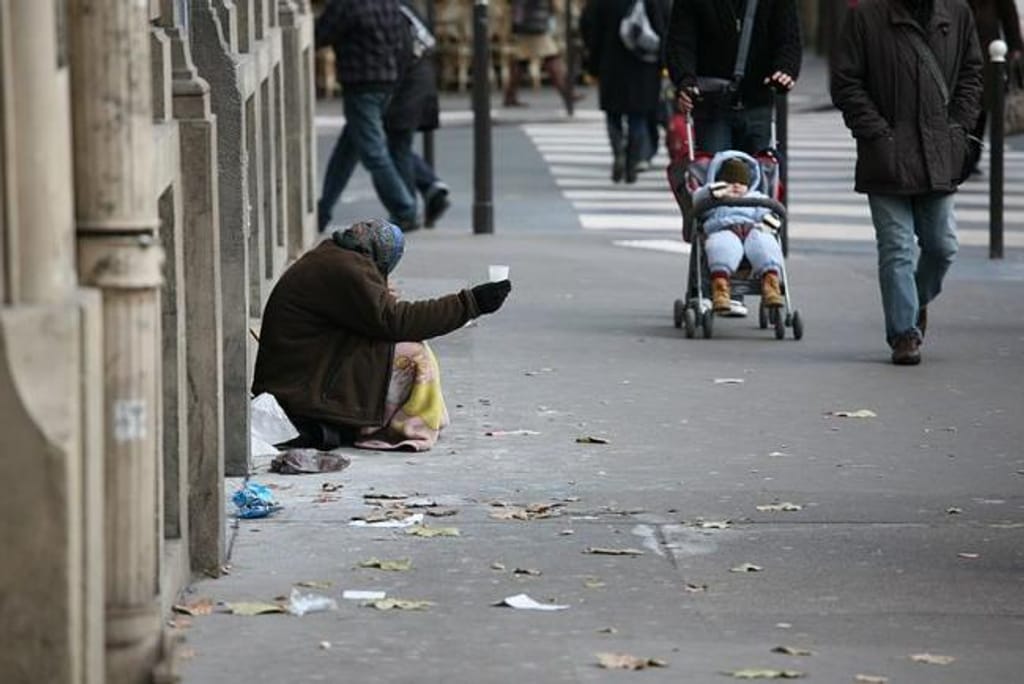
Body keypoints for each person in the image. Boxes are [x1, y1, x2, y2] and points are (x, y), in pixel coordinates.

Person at [251, 219, 512, 451]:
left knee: (401, 347)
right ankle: (403, 428)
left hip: (301, 371)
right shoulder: (345, 269)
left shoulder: (334, 256)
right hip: (300, 384)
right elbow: (396, 321)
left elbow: (377, 318)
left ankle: (372, 420)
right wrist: (469, 303)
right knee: (413, 355)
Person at [831, 0, 983, 365]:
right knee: (897, 246)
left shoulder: (956, 12)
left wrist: (958, 128)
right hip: (886, 155)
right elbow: (846, 82)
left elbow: (971, 73)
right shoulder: (864, 15)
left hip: (938, 152)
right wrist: (878, 135)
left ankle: (913, 301)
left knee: (942, 245)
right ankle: (904, 333)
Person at [315, 0, 419, 234]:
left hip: (361, 83)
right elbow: (403, 40)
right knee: (347, 151)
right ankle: (323, 210)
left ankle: (405, 209)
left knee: (372, 152)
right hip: (387, 82)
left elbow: (321, 34)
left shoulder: (349, 4)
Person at [665, 0, 802, 154]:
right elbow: (680, 42)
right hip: (713, 102)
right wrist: (685, 79)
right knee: (717, 169)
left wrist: (785, 69)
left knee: (757, 170)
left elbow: (788, 38)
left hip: (756, 98)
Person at [580, 0, 671, 183]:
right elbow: (665, 27)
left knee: (613, 115)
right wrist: (665, 63)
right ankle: (632, 160)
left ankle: (618, 152)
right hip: (644, 65)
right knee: (638, 117)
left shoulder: (601, 4)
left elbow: (589, 27)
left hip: (610, 63)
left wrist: (593, 64)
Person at [693, 152, 785, 312]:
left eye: (741, 182)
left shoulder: (756, 198)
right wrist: (711, 192)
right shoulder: (715, 200)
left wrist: (768, 221)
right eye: (730, 181)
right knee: (722, 245)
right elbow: (697, 201)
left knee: (765, 242)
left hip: (754, 230)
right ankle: (720, 288)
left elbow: (767, 212)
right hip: (725, 229)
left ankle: (771, 284)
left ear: (749, 184)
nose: (735, 185)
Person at [386, 1, 450, 226]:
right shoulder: (405, 8)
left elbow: (400, 53)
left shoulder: (394, 11)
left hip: (409, 85)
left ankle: (408, 209)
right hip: (419, 80)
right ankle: (430, 186)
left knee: (398, 145)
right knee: (396, 143)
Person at [966, 0, 1023, 173]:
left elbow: (1009, 16)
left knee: (981, 108)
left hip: (987, 52)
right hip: (962, 45)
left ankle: (972, 156)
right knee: (965, 105)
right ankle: (965, 156)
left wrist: (1015, 48)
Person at [505, 0, 581, 112]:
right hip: (533, 23)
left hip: (527, 21)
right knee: (552, 58)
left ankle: (510, 96)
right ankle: (566, 92)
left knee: (521, 60)